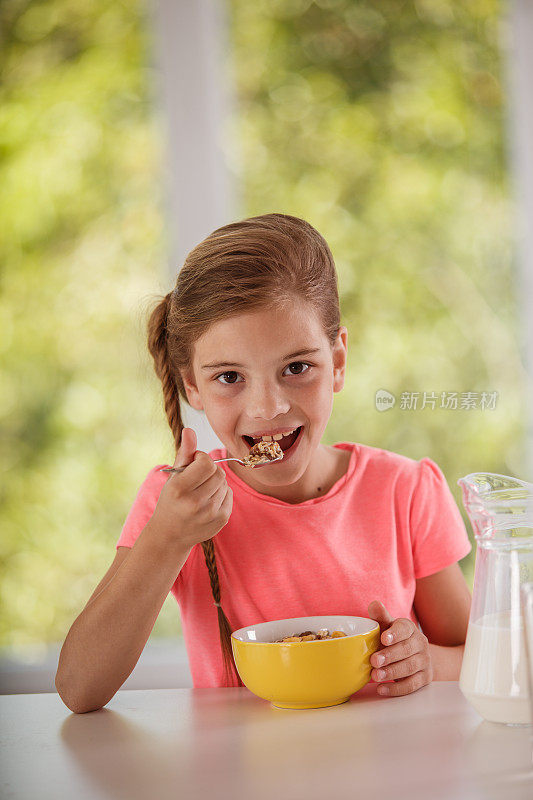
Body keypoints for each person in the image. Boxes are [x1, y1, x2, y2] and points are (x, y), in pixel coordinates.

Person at [55, 213, 472, 713]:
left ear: (337, 361)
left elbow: (483, 656)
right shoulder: (177, 504)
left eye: (297, 368)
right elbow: (79, 688)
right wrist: (167, 536)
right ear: (192, 385)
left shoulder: (405, 491)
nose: (267, 407)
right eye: (229, 377)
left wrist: (428, 663)